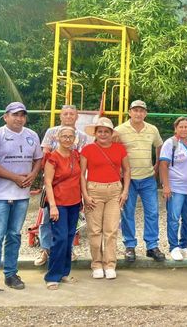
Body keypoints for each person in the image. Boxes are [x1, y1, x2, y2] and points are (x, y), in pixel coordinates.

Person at [0, 102, 43, 299]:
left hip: (21, 196)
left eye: (22, 115)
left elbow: (38, 158)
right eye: (15, 114)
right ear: (6, 117)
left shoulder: (32, 135)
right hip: (0, 195)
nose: (19, 118)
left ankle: (10, 274)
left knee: (14, 235)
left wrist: (33, 174)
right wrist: (14, 177)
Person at [35, 104, 89, 267]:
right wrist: (47, 177)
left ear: (77, 116)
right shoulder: (52, 132)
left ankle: (68, 249)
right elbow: (45, 153)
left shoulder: (82, 136)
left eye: (72, 114)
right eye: (65, 114)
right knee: (47, 217)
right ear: (60, 116)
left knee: (71, 220)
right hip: (54, 180)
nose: (69, 116)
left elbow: (82, 159)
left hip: (72, 183)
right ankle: (45, 249)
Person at [115, 100, 166, 262]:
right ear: (129, 112)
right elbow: (113, 149)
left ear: (145, 113)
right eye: (135, 110)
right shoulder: (119, 130)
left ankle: (152, 246)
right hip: (128, 180)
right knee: (128, 212)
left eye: (141, 111)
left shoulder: (152, 129)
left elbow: (159, 145)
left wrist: (157, 163)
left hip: (148, 178)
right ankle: (130, 246)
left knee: (152, 212)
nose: (138, 113)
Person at [81, 117, 130, 279]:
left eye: (106, 131)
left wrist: (125, 191)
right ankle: (96, 264)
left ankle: (110, 264)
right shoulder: (87, 149)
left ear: (111, 133)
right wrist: (85, 195)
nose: (103, 134)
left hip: (115, 190)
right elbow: (82, 174)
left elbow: (127, 170)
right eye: (100, 131)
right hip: (94, 190)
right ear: (95, 133)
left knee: (111, 230)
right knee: (95, 230)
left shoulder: (120, 149)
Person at [43, 126, 82, 289]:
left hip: (74, 202)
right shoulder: (52, 157)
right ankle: (52, 276)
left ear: (74, 139)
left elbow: (80, 177)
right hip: (58, 202)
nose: (67, 139)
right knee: (60, 238)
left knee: (69, 237)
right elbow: (48, 183)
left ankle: (64, 272)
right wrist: (52, 206)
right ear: (58, 138)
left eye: (70, 136)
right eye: (64, 136)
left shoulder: (76, 155)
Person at [159, 117, 187, 261]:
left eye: (186, 127)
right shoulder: (170, 143)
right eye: (180, 127)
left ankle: (184, 246)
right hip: (175, 188)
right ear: (175, 128)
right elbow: (163, 165)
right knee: (174, 218)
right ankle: (173, 247)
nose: (183, 129)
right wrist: (166, 186)